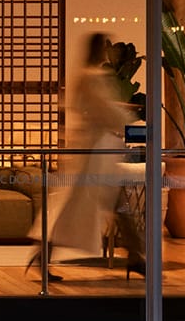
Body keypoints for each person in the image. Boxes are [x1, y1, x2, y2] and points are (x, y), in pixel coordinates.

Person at [29, 31, 132, 282]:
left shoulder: (84, 76)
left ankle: (138, 256)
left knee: (107, 205)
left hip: (93, 148)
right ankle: (138, 256)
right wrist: (127, 120)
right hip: (94, 151)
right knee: (92, 206)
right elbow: (105, 110)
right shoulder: (92, 77)